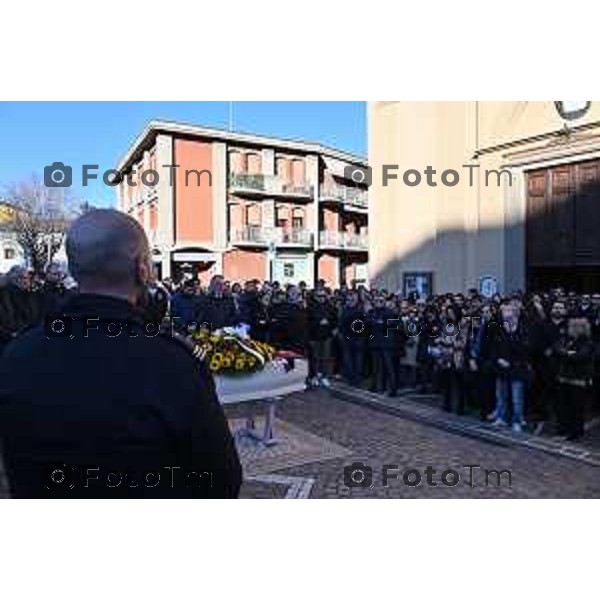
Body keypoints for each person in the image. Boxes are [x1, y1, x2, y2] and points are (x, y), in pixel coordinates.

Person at [0, 209, 241, 498]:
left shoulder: (17, 355)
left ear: (74, 270)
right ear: (142, 268)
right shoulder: (173, 362)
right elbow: (221, 480)